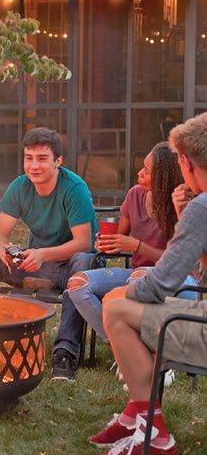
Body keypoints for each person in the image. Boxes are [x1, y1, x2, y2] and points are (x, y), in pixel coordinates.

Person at [89, 113, 207, 455]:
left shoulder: (202, 207)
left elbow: (162, 283)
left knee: (116, 310)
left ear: (186, 162)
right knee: (127, 305)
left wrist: (124, 292)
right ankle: (135, 414)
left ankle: (154, 437)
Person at [0, 127, 98, 382]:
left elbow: (83, 243)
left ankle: (64, 353)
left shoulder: (74, 188)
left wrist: (43, 254)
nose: (34, 166)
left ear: (58, 161)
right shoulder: (21, 186)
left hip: (69, 267)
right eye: (29, 158)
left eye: (42, 158)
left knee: (82, 262)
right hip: (34, 263)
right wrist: (4, 249)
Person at [65, 143, 197, 349]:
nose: (139, 173)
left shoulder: (183, 205)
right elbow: (119, 237)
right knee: (78, 285)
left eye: (146, 171)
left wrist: (137, 246)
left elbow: (179, 262)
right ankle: (125, 346)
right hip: (136, 275)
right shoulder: (135, 195)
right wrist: (107, 243)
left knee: (139, 277)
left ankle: (144, 351)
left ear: (163, 178)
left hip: (179, 281)